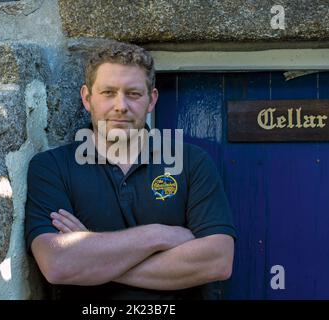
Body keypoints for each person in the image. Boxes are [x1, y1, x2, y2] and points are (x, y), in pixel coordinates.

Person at [25, 41, 236, 300]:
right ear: (87, 98)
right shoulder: (51, 167)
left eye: (133, 94)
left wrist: (90, 256)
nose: (121, 106)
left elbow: (218, 261)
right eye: (108, 92)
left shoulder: (191, 162)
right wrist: (159, 235)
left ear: (152, 100)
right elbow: (57, 264)